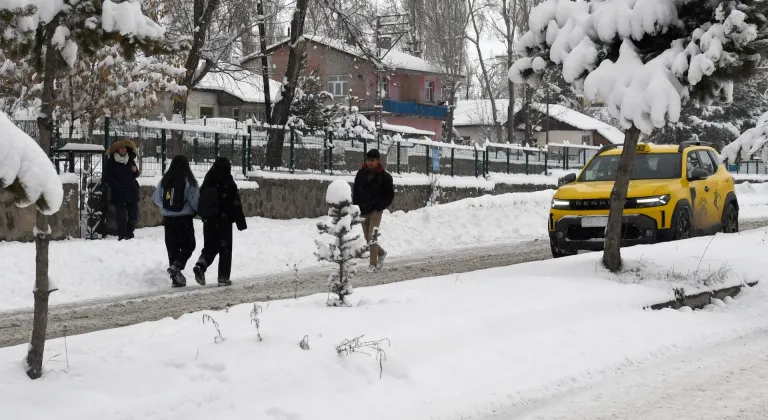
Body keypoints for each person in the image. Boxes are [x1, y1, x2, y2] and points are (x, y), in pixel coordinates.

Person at [193, 157, 247, 287]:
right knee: (225, 249)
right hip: (224, 221)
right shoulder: (228, 182)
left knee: (210, 247)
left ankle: (201, 265)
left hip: (208, 220)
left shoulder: (208, 181)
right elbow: (236, 204)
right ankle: (223, 277)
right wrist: (241, 223)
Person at [152, 155, 200, 288]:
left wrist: (167, 207)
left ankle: (176, 279)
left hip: (168, 220)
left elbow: (156, 198)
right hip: (184, 219)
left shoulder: (165, 180)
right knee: (189, 245)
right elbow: (194, 200)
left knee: (172, 248)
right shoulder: (189, 181)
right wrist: (199, 212)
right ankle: (177, 266)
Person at [352, 149, 394, 271]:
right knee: (367, 239)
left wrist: (380, 206)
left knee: (372, 237)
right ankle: (381, 253)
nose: (369, 163)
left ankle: (372, 265)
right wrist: (356, 206)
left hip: (376, 211)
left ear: (378, 161)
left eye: (372, 160)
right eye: (368, 160)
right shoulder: (360, 174)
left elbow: (389, 195)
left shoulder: (385, 177)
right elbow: (356, 192)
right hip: (363, 210)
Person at [104, 140, 140, 240]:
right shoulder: (111, 162)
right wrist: (118, 186)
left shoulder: (130, 160)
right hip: (119, 193)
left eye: (125, 148)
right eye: (121, 148)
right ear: (117, 150)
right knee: (121, 216)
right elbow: (107, 177)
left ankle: (129, 233)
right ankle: (122, 235)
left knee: (134, 216)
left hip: (132, 191)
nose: (124, 150)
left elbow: (135, 174)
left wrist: (135, 171)